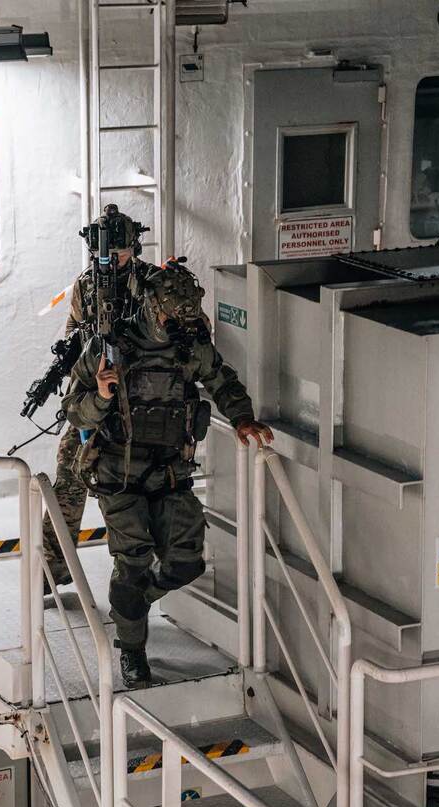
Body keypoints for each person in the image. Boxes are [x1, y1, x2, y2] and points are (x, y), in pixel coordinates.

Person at [62, 263, 273, 687]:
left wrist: (242, 418)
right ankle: (132, 651)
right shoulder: (109, 348)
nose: (179, 324)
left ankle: (133, 604)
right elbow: (73, 411)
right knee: (133, 562)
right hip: (120, 474)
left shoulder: (189, 345)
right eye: (171, 316)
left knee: (186, 562)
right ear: (150, 307)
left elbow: (221, 380)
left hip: (171, 471)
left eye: (186, 316)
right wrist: (101, 396)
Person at [40, 206, 153, 589]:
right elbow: (73, 331)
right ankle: (52, 569)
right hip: (94, 395)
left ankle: (139, 574)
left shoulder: (150, 286)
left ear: (133, 249)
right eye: (104, 254)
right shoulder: (85, 286)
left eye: (118, 255)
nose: (110, 262)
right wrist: (80, 366)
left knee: (136, 486)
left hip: (141, 400)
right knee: (69, 475)